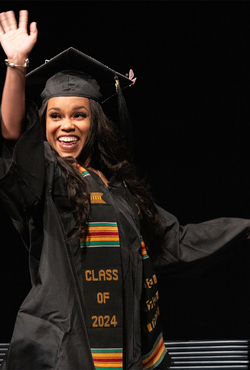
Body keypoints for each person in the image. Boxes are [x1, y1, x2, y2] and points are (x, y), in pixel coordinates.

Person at [0, 10, 250, 370]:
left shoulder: (118, 188)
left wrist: (244, 228)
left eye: (78, 115)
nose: (65, 125)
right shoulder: (46, 178)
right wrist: (16, 65)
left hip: (125, 345)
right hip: (64, 350)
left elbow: (176, 242)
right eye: (54, 116)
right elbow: (12, 134)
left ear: (94, 123)